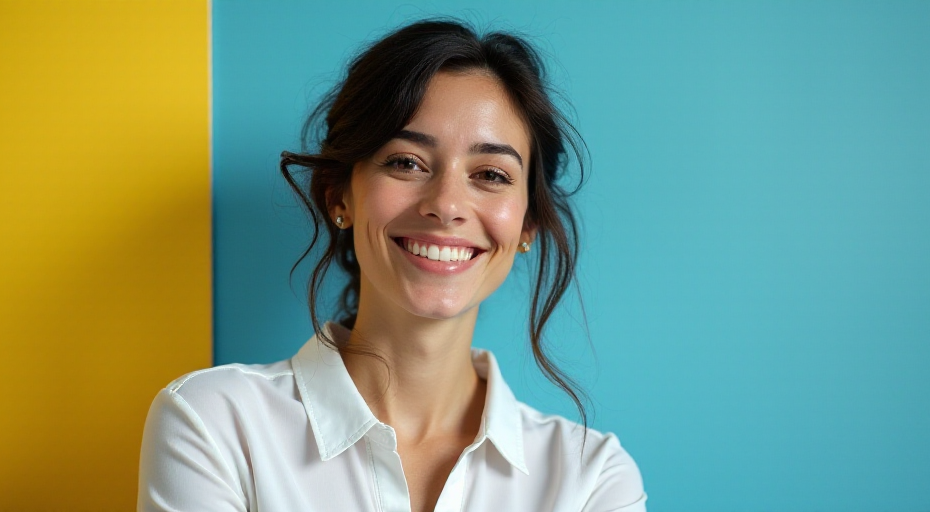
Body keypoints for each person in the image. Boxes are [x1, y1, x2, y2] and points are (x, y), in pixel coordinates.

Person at [138, 19, 646, 512]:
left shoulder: (591, 477)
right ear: (340, 196)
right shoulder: (214, 424)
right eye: (406, 162)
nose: (447, 205)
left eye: (490, 174)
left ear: (528, 226)